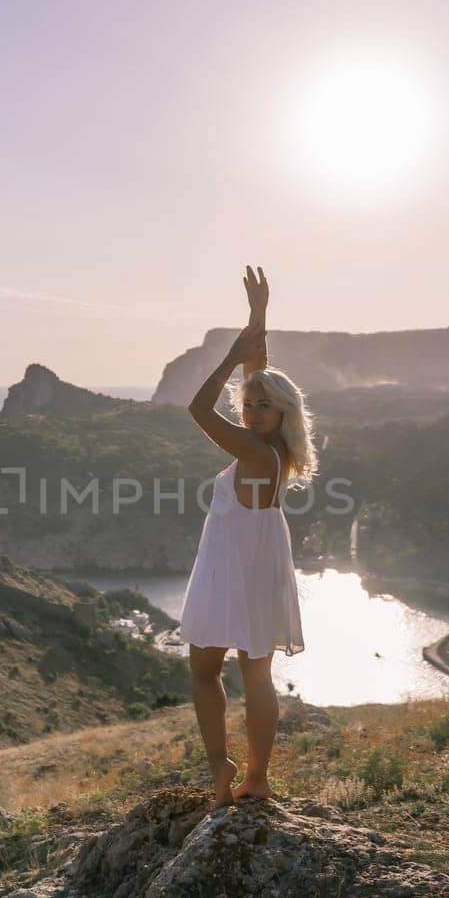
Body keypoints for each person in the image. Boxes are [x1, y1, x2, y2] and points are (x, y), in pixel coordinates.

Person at [180, 265, 316, 808]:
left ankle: (226, 768)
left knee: (206, 671)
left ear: (283, 412)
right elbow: (258, 377)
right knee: (253, 675)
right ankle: (254, 777)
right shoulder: (275, 451)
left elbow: (196, 408)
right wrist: (258, 318)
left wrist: (232, 356)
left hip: (230, 570)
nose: (255, 409)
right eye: (251, 403)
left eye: (266, 406)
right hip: (257, 568)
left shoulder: (257, 453)